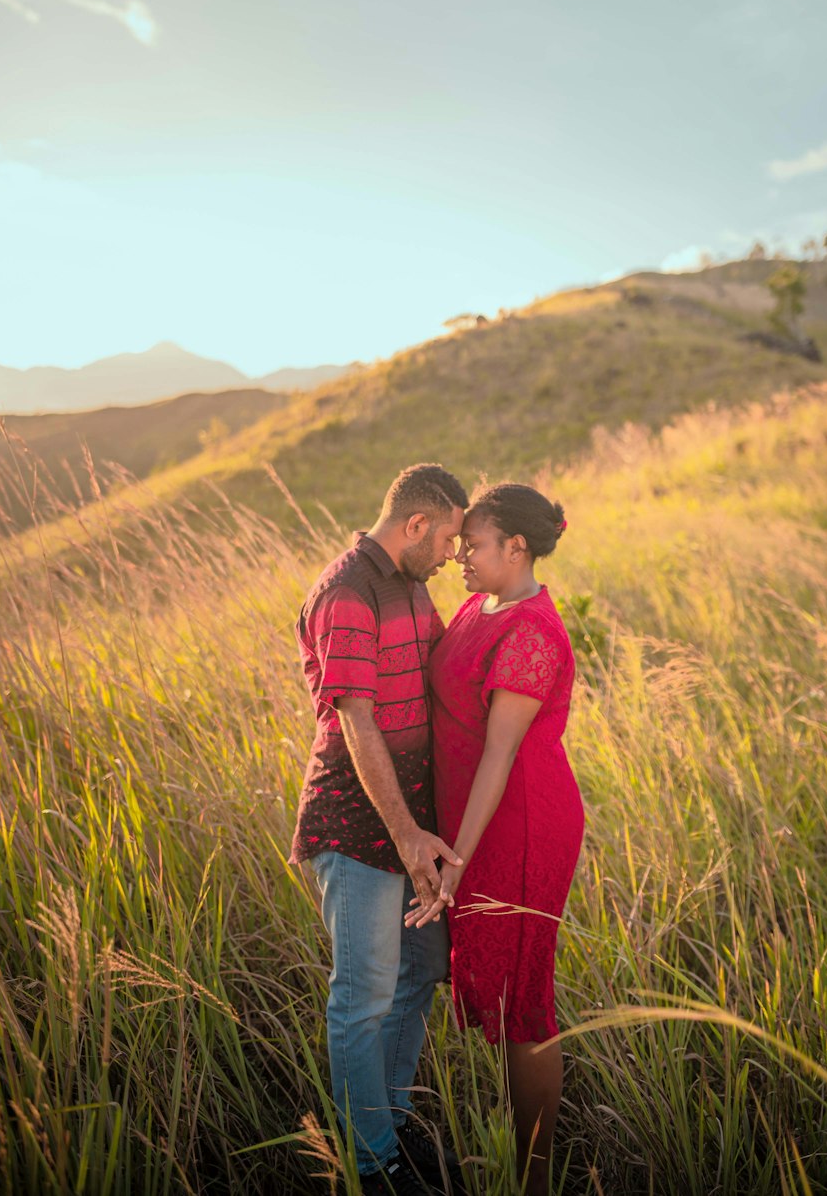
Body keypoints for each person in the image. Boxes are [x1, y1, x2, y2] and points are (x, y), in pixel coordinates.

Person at [289, 463, 469, 1195]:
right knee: (361, 994)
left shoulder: (412, 582)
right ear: (418, 524)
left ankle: (391, 1125)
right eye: (452, 537)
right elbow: (356, 719)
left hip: (413, 826)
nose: (455, 554)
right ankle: (372, 1163)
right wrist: (405, 837)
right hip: (357, 825)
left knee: (422, 970)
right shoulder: (347, 590)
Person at [406, 483, 585, 1196]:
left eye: (473, 545)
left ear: (517, 548)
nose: (461, 558)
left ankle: (533, 1180)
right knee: (506, 995)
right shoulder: (483, 604)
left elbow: (500, 756)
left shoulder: (534, 633)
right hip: (476, 820)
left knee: (526, 1006)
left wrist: (458, 858)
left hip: (519, 825)